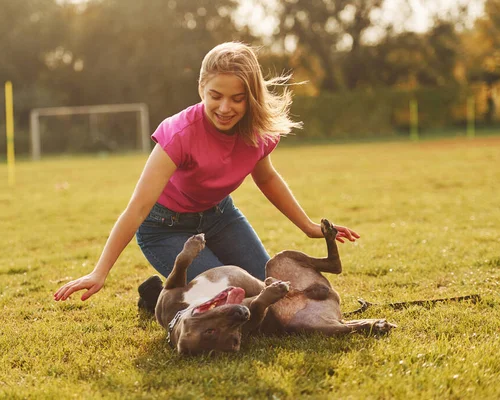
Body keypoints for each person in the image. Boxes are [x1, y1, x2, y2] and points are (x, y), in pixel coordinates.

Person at [53, 42, 359, 311]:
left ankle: (165, 293)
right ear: (201, 89)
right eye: (215, 95)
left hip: (220, 218)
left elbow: (266, 179)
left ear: (251, 97)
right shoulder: (179, 134)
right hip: (165, 229)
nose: (225, 108)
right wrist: (99, 272)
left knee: (271, 289)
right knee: (233, 299)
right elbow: (138, 207)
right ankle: (159, 299)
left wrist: (307, 226)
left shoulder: (256, 131)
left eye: (237, 99)